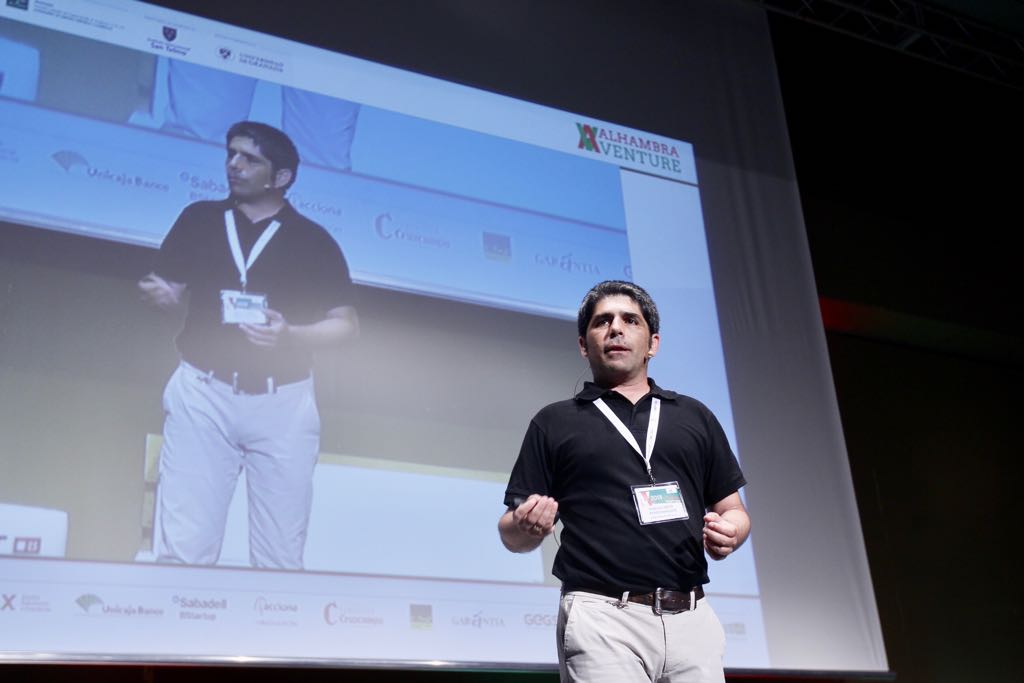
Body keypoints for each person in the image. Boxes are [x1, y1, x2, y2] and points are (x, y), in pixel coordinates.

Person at [499, 280, 749, 683]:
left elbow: (733, 510)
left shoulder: (694, 416)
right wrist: (526, 526)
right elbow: (512, 534)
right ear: (584, 344)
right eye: (602, 322)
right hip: (603, 618)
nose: (616, 329)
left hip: (692, 616)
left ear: (653, 343)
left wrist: (731, 533)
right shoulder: (555, 422)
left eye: (630, 320)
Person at [139, 121, 359, 570]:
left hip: (283, 401)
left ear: (281, 177)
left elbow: (346, 326)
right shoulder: (198, 218)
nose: (233, 165)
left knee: (280, 554)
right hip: (203, 391)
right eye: (231, 154)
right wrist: (163, 295)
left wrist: (291, 334)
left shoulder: (313, 240)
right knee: (184, 548)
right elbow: (172, 288)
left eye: (249, 158)